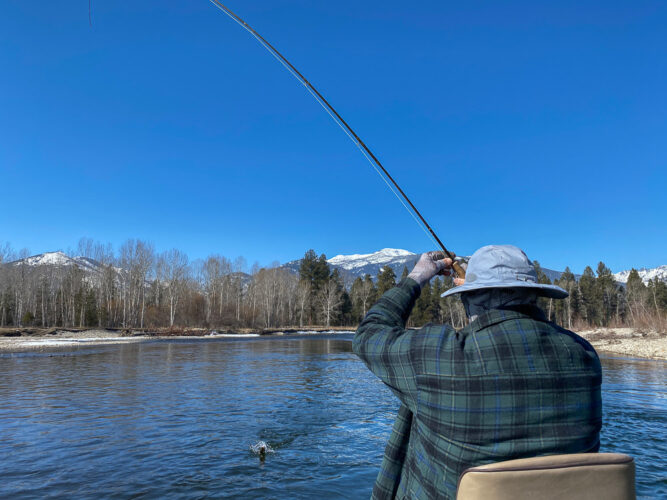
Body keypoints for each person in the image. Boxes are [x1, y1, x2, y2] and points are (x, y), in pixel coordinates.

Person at [353, 245, 601, 500]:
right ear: (534, 295)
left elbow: (368, 335)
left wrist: (416, 277)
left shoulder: (441, 356)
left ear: (468, 298)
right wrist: (474, 283)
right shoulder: (585, 357)